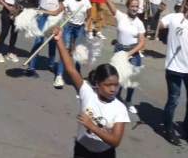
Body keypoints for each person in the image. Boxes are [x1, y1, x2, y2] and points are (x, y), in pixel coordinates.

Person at [52, 26, 130, 157]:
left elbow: (116, 140)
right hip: (82, 150)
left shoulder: (119, 108)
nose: (113, 89)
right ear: (98, 84)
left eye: (116, 85)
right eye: (108, 85)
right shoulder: (87, 92)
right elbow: (71, 69)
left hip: (105, 153)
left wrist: (92, 126)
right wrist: (59, 41)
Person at [154, 0, 188, 145]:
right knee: (173, 100)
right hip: (174, 68)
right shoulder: (174, 18)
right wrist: (158, 12)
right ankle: (168, 129)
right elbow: (155, 26)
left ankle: (187, 123)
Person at [103, 0, 144, 112]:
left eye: (137, 7)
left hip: (133, 52)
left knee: (132, 79)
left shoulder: (139, 23)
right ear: (127, 7)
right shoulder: (120, 16)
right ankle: (113, 97)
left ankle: (128, 101)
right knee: (117, 77)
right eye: (132, 6)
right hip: (119, 49)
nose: (135, 9)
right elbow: (108, 1)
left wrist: (130, 53)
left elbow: (142, 43)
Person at [26, 0, 63, 78]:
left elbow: (59, 1)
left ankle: (51, 64)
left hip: (53, 16)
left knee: (52, 40)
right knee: (39, 40)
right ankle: (31, 66)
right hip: (42, 15)